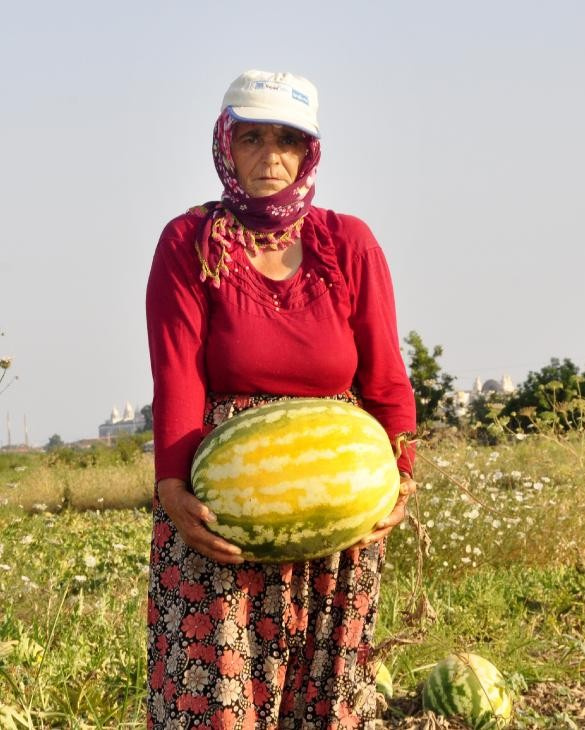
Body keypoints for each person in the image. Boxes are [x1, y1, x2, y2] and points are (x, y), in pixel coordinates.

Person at [146, 69, 417, 730]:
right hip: (221, 506)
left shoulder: (348, 243)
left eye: (288, 140)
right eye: (252, 138)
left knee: (326, 696)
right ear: (225, 145)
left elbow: (385, 375)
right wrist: (176, 492)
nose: (270, 156)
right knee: (215, 700)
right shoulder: (191, 244)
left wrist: (400, 475)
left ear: (308, 152)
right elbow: (177, 374)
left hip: (338, 504)